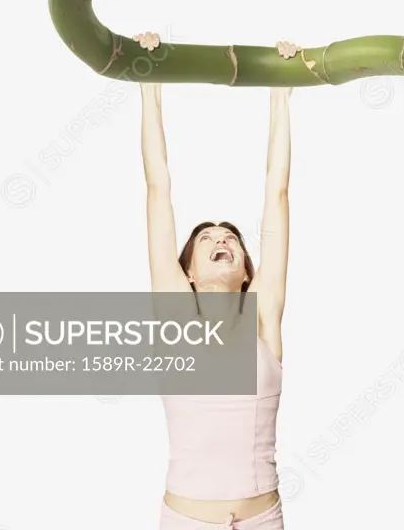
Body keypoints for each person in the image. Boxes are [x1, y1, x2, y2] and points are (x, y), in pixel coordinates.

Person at [136, 33, 297, 530]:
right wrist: (150, 83)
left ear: (248, 269)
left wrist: (280, 93)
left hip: (262, 519)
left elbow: (278, 192)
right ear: (187, 271)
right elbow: (158, 187)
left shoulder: (262, 319)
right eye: (205, 238)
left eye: (230, 236)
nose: (220, 239)